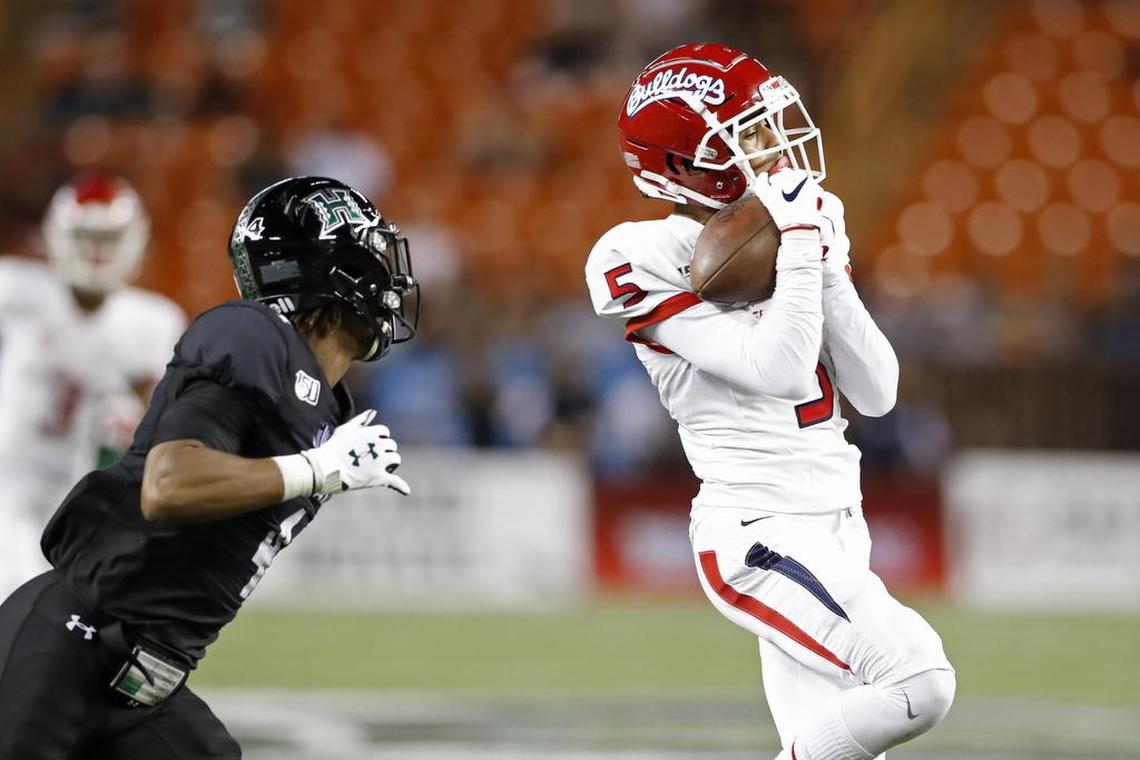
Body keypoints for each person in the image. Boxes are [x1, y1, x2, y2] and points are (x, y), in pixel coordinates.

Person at [585, 43, 955, 760]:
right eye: (746, 133)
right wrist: (799, 243)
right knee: (919, 682)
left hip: (841, 519)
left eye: (767, 122)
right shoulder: (640, 252)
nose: (772, 145)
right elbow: (778, 368)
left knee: (841, 745)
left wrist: (821, 264)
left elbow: (877, 392)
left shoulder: (800, 221)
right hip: (758, 527)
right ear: (683, 166)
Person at [0, 176, 419, 758]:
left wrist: (317, 463)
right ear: (326, 269)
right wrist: (316, 470)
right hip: (72, 645)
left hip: (144, 687)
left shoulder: (328, 406)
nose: (387, 276)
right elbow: (168, 485)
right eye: (369, 252)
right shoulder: (252, 335)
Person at [0, 174, 185, 600]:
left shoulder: (152, 321)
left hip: (84, 490)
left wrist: (127, 423)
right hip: (11, 480)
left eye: (109, 237)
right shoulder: (16, 292)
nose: (97, 250)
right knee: (24, 591)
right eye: (85, 236)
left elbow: (159, 424)